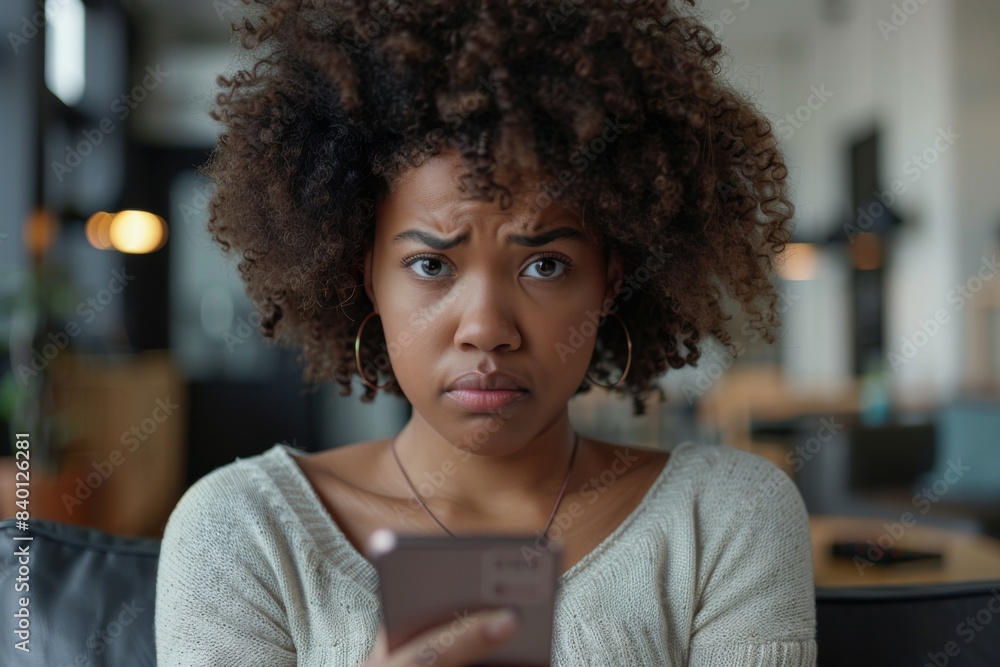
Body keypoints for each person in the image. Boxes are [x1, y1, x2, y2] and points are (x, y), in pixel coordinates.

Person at [154, 0, 817, 665]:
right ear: (367, 277)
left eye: (545, 264)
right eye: (431, 264)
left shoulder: (727, 518)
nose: (487, 329)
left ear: (611, 279)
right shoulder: (243, 530)